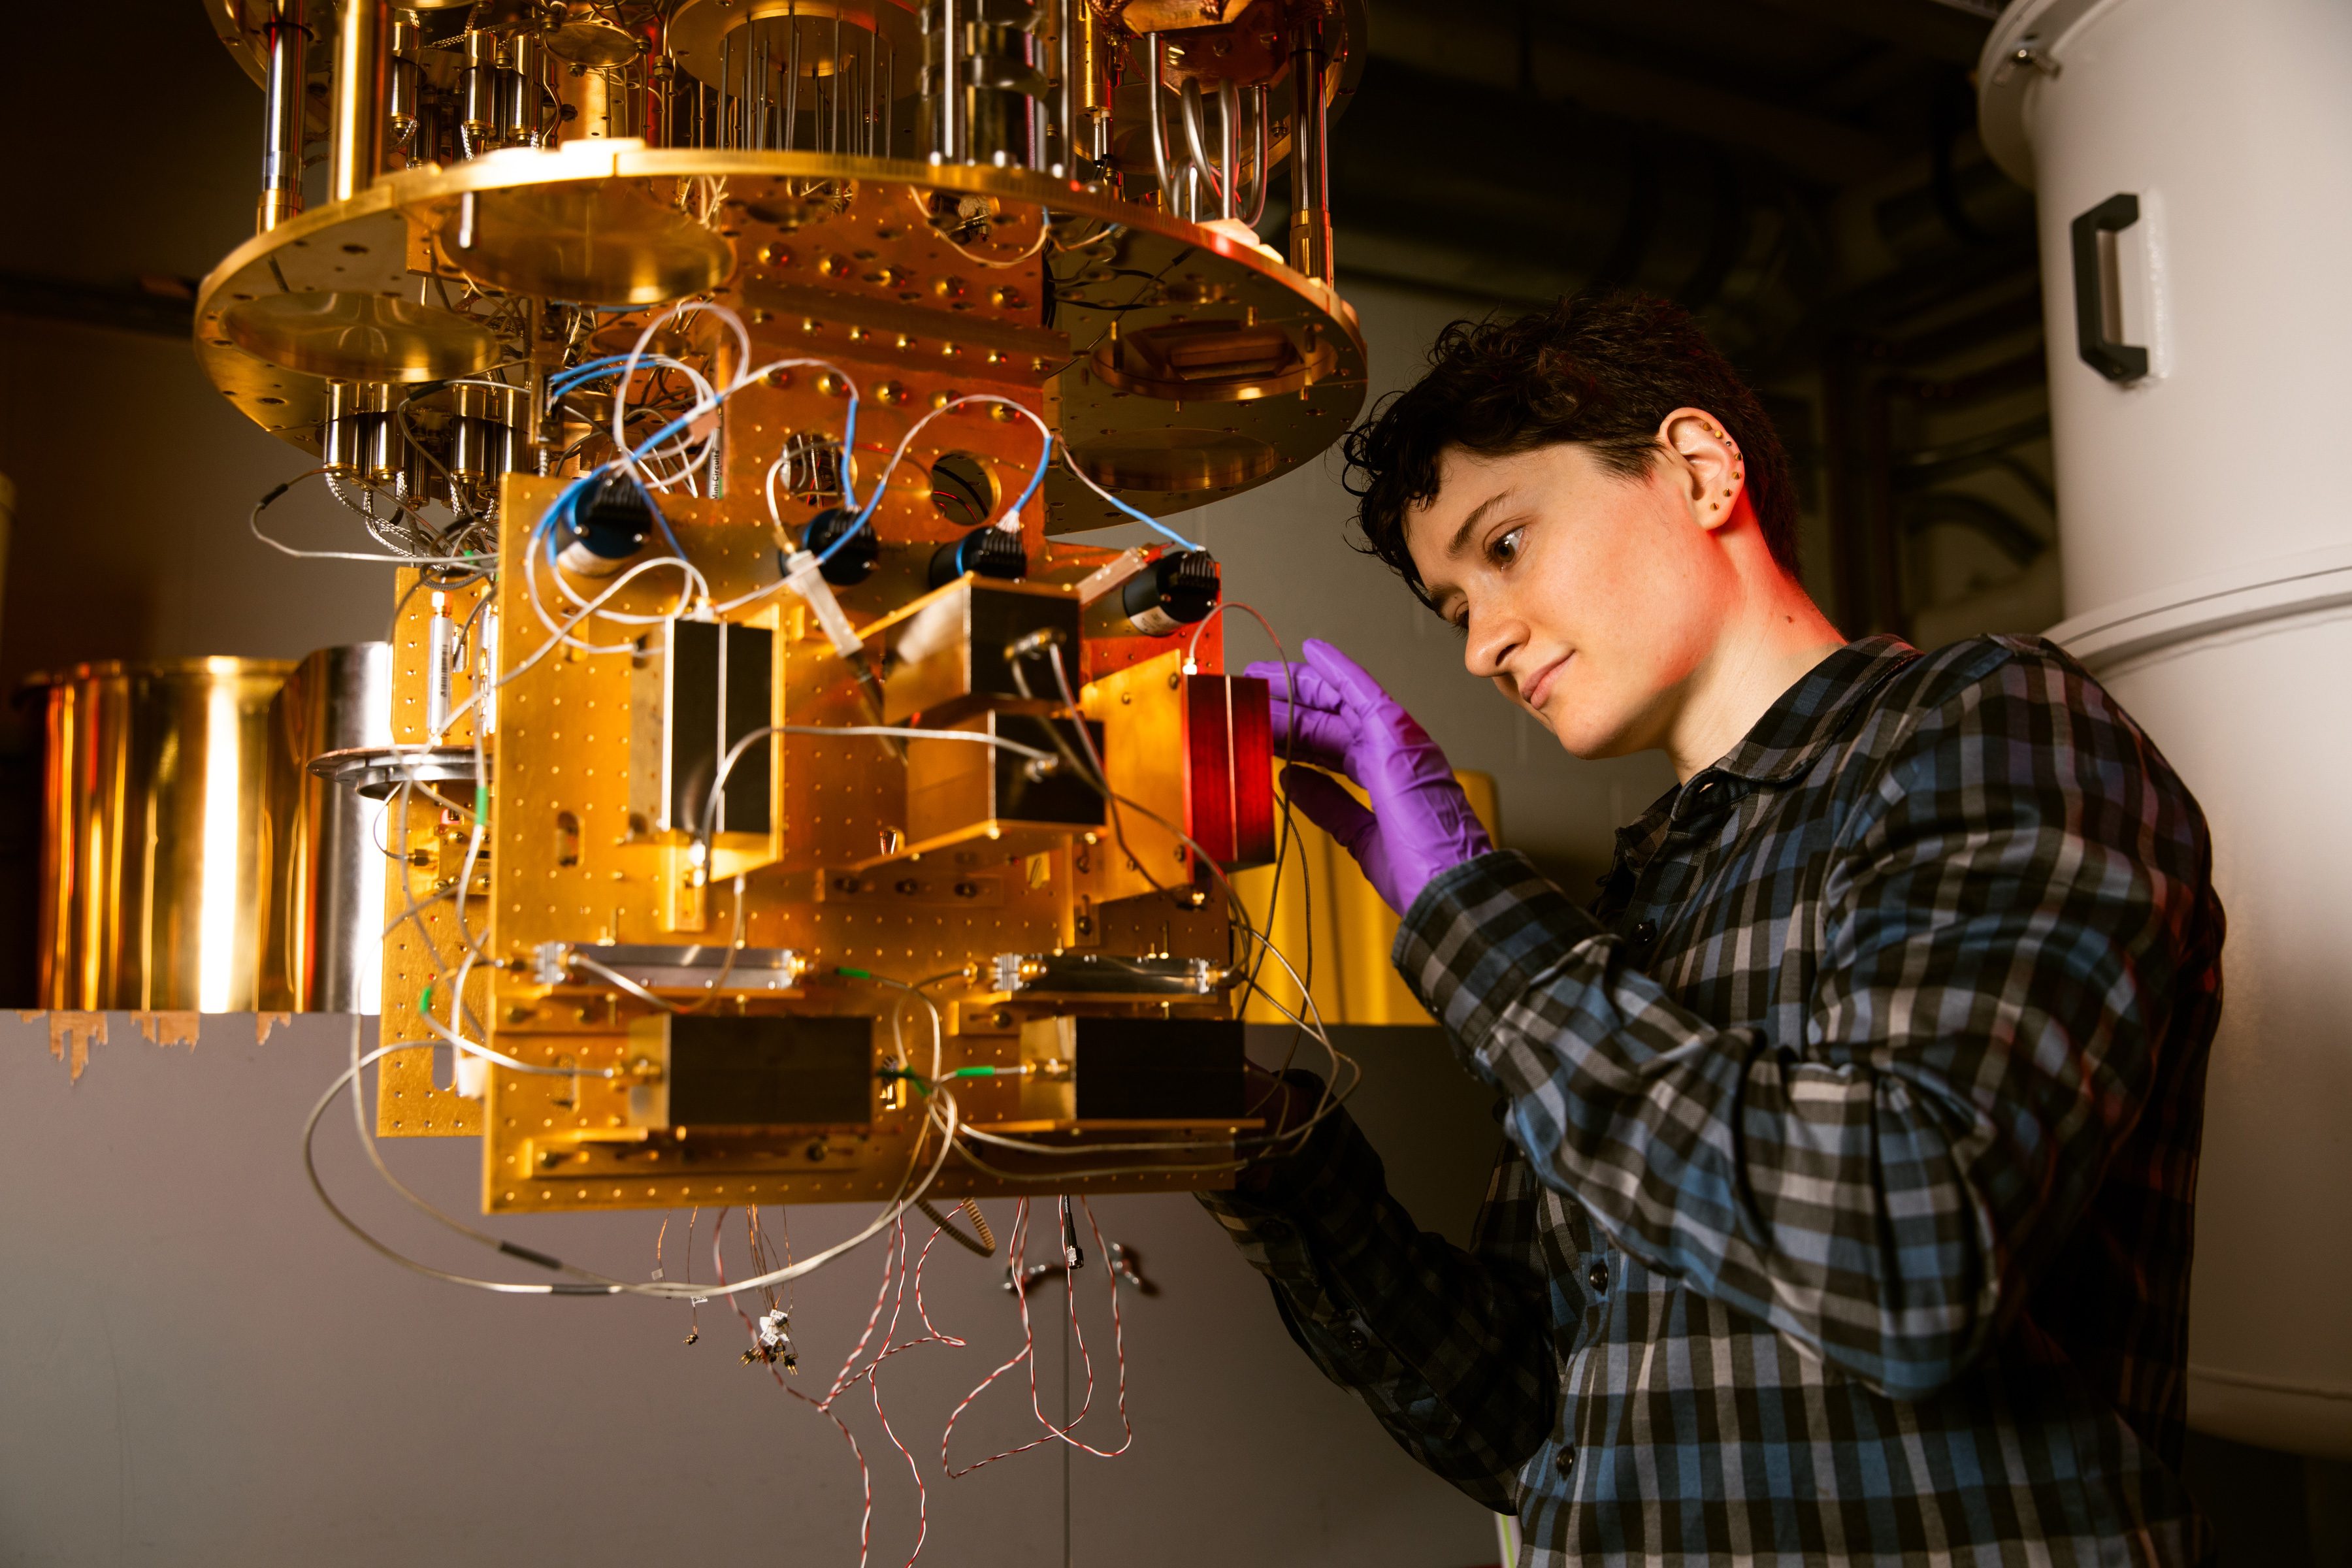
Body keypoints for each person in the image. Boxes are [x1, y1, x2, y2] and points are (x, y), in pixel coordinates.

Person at [1205, 291, 2223, 1566]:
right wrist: (1268, 1152)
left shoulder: (1995, 729)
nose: (1482, 647)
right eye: (1456, 607)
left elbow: (1909, 1257)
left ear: (1697, 468)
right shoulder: (1635, 910)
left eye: (1505, 547)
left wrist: (1467, 911)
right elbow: (1529, 1427)